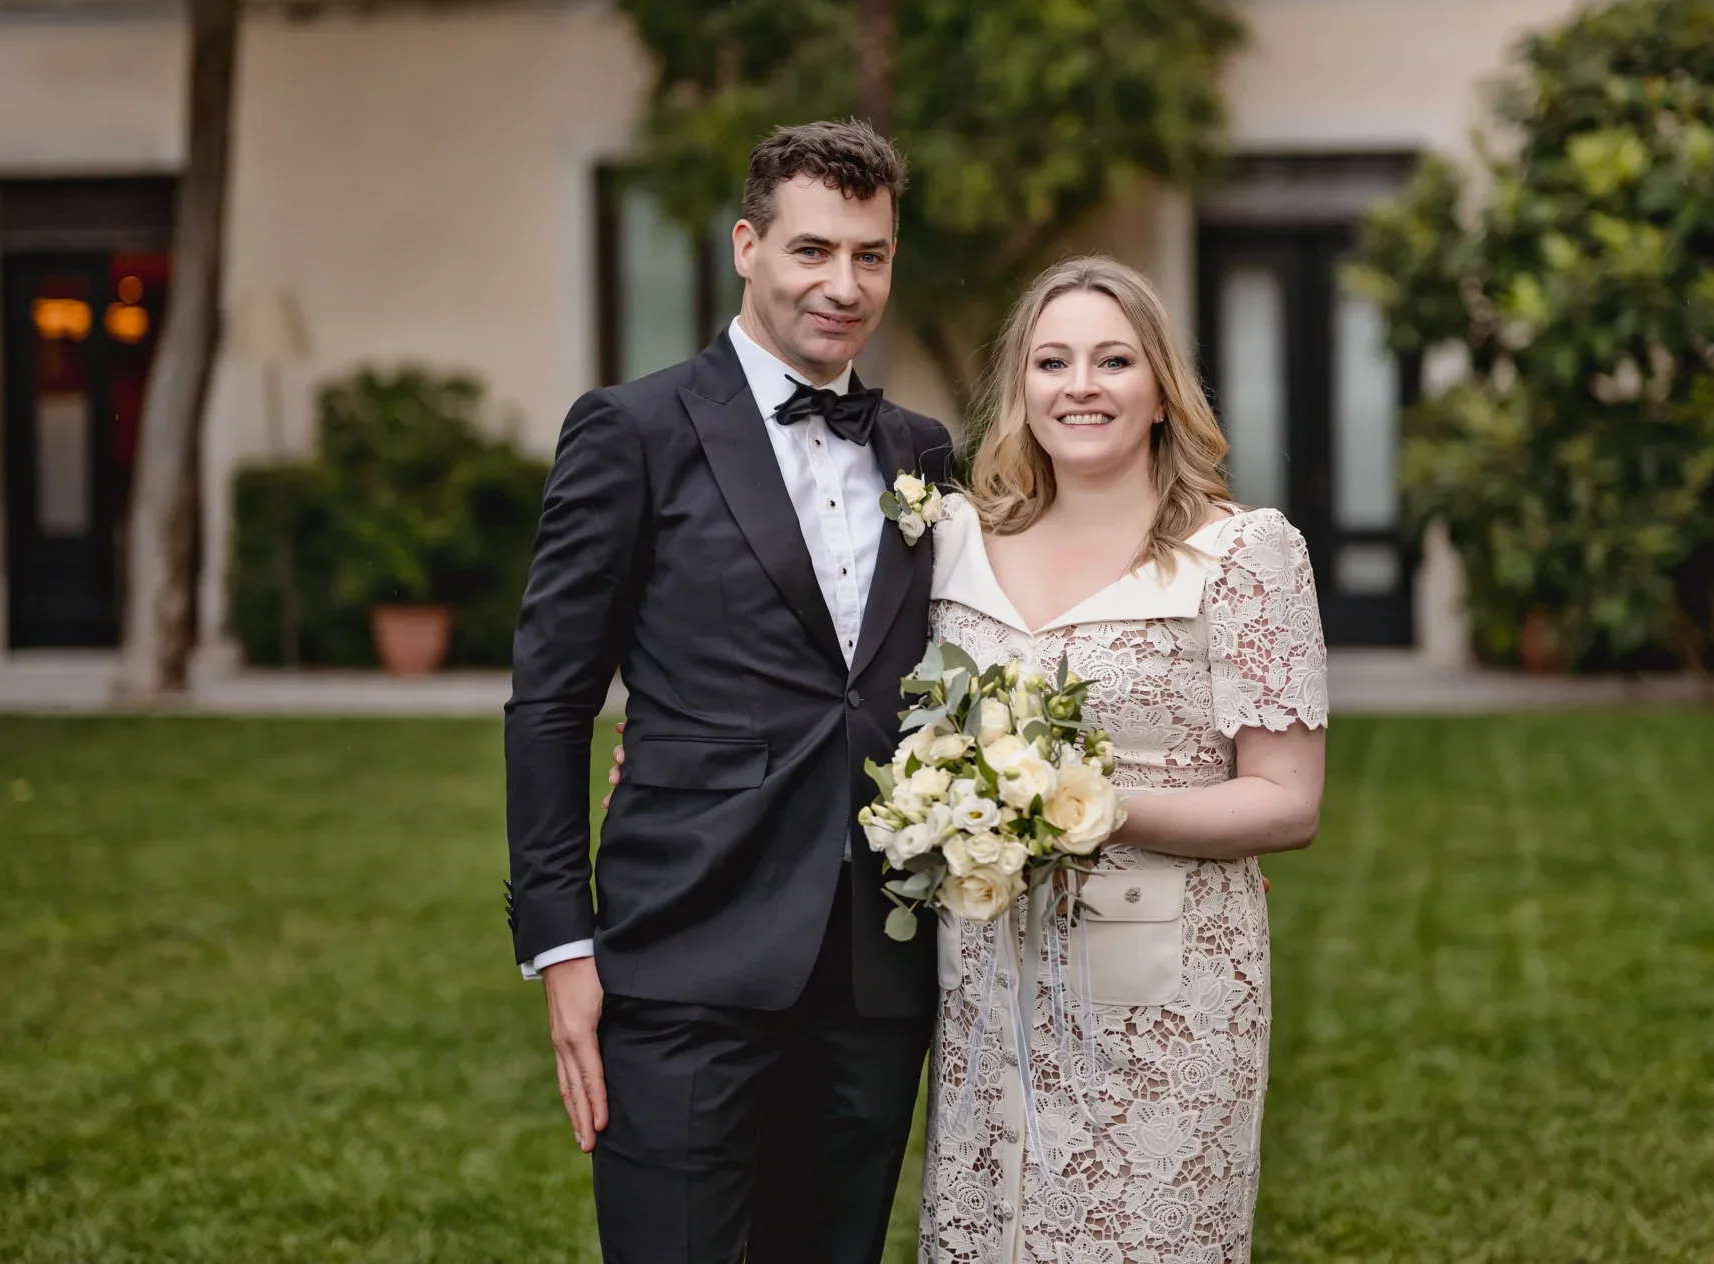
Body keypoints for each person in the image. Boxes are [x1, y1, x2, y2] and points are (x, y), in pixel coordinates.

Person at [502, 120, 952, 1264]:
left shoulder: (923, 453)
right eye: (812, 250)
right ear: (746, 245)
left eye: (871, 255)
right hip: (684, 958)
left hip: (874, 973)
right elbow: (551, 704)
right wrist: (563, 949)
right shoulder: (632, 432)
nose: (843, 285)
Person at [918, 255, 1328, 1263]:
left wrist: (1085, 808)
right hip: (987, 978)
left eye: (1113, 360)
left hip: (1170, 995)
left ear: (1160, 391)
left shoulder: (1241, 555)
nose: (1081, 385)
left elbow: (1287, 802)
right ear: (1021, 386)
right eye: (1052, 361)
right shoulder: (957, 544)